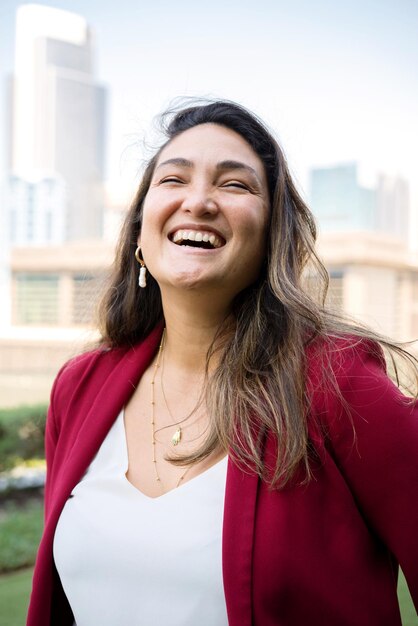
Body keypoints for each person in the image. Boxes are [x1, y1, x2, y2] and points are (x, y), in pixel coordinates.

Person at [27, 100, 418, 626]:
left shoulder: (340, 383)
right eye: (173, 179)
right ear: (141, 229)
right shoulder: (79, 387)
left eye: (235, 185)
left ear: (272, 238)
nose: (199, 200)